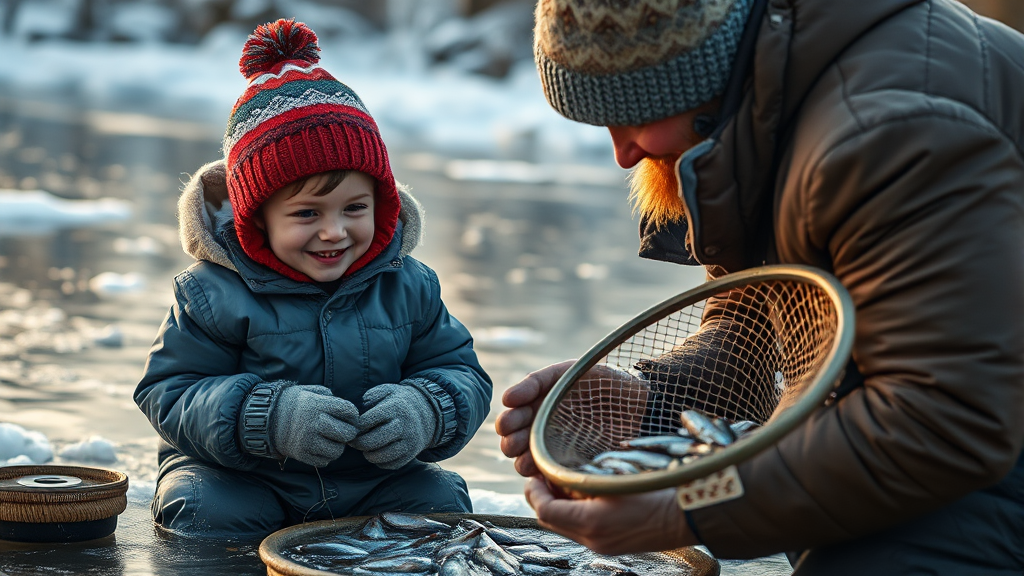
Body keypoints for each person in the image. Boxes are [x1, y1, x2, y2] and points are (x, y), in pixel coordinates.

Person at [496, 0, 1024, 573]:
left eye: (635, 114)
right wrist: (654, 407)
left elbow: (944, 422)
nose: (623, 153)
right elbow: (754, 319)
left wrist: (692, 508)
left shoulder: (892, 135)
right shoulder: (763, 102)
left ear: (698, 73)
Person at [134, 19, 492, 539]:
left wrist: (428, 408)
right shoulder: (211, 292)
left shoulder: (409, 285)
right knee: (205, 510)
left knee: (438, 504)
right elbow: (169, 390)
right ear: (257, 219)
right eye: (307, 214)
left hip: (370, 480)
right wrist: (267, 416)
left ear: (381, 203)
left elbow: (461, 371)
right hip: (242, 476)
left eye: (355, 208)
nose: (334, 232)